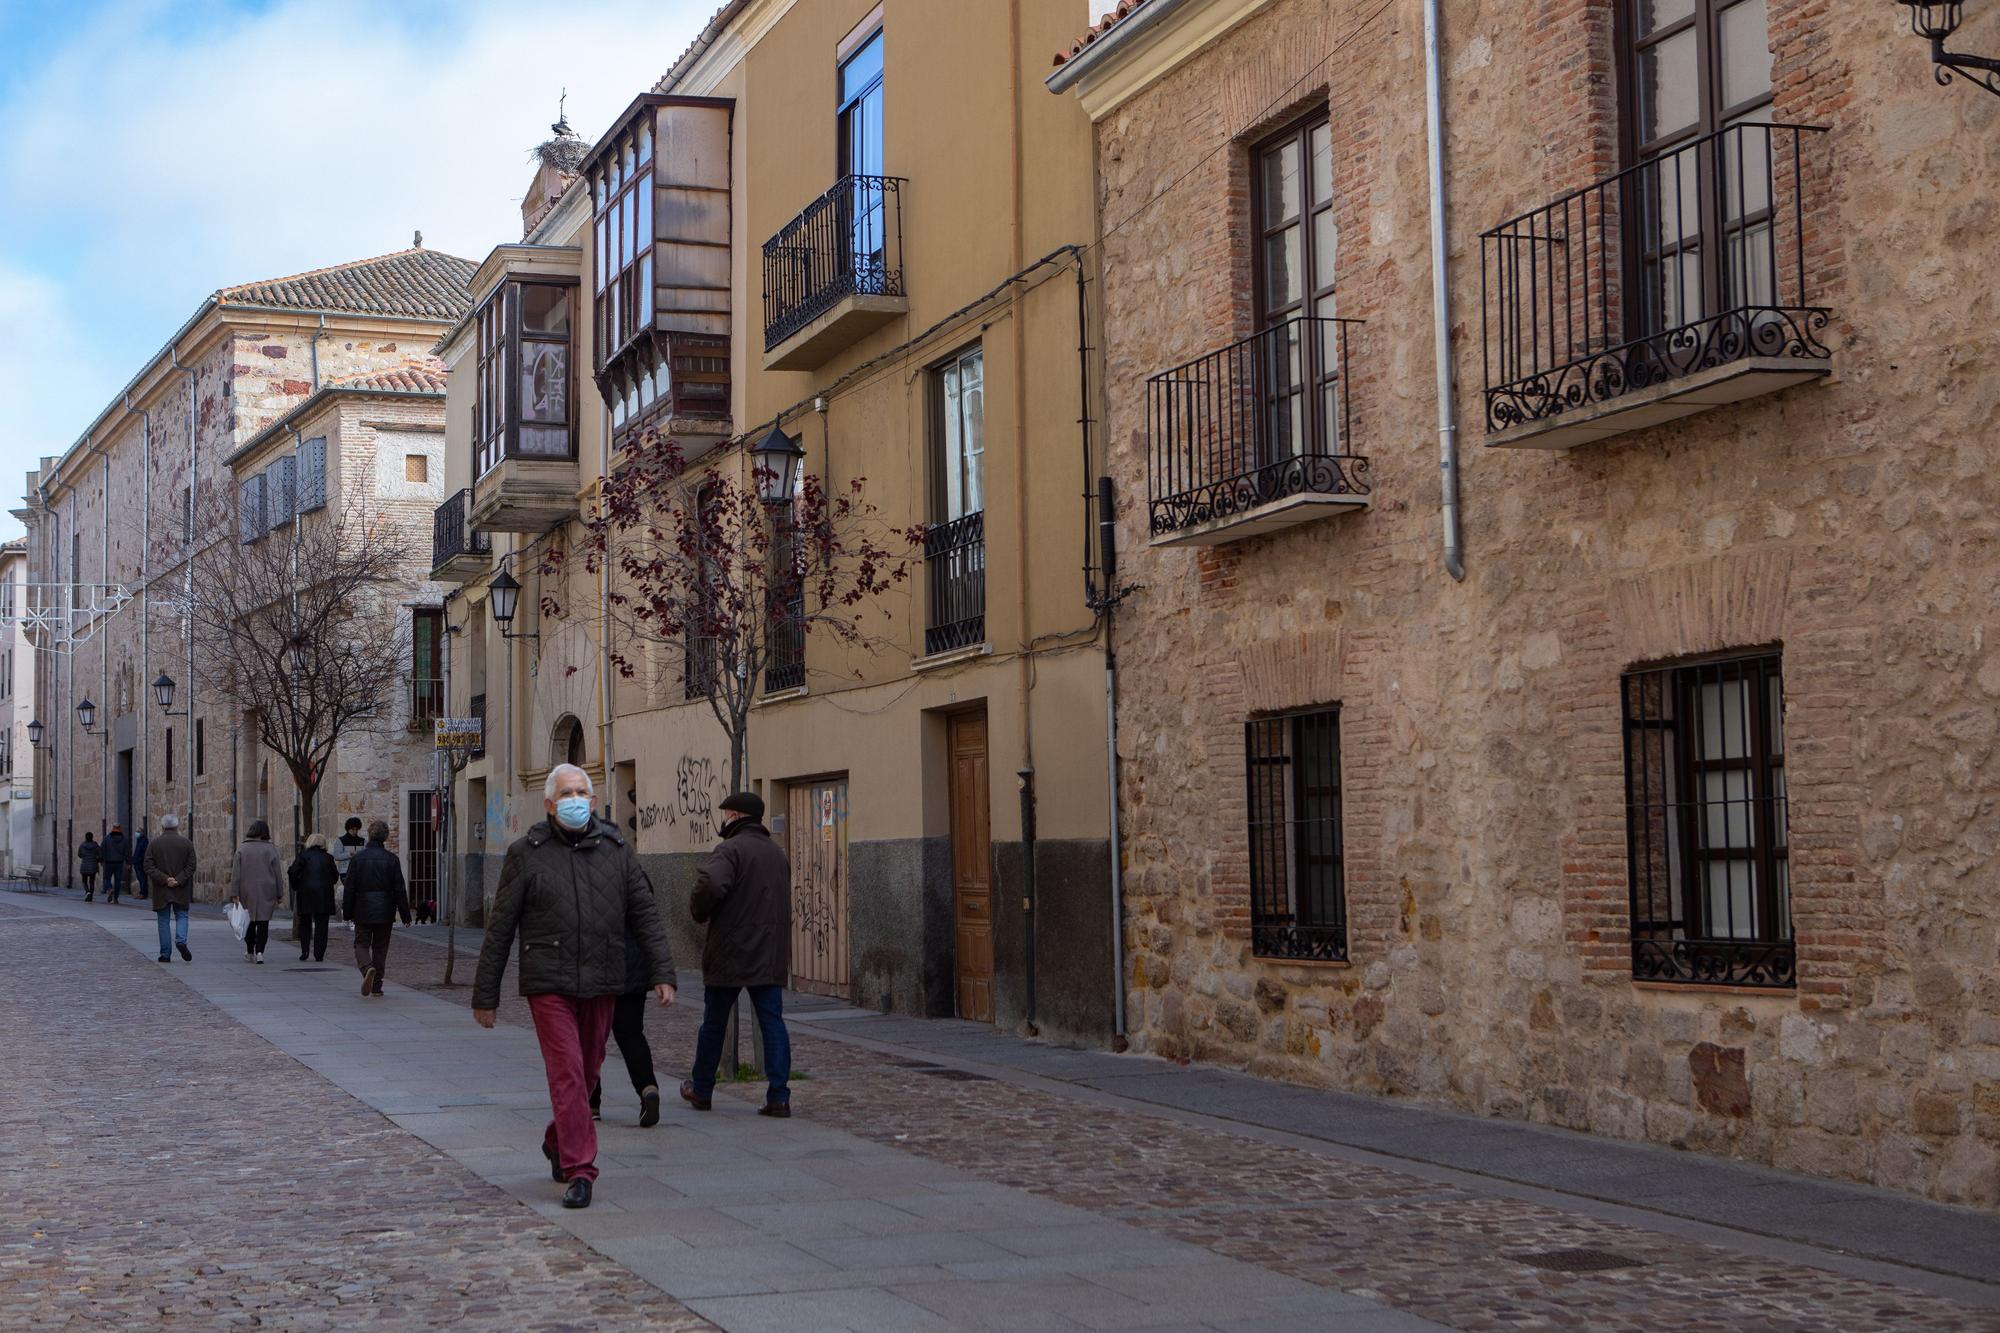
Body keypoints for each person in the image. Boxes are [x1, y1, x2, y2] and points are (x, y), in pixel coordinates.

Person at [472, 763, 676, 1211]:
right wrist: (485, 996)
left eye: (583, 791)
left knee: (586, 1074)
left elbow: (645, 914)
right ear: (549, 804)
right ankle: (581, 1169)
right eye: (567, 792)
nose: (577, 799)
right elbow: (501, 926)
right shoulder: (527, 853)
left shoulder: (617, 850)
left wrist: (663, 971)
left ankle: (555, 1140)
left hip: (603, 977)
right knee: (566, 1071)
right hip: (549, 980)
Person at [681, 791, 794, 1119]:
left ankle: (701, 1088)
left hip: (731, 951)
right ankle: (779, 1095)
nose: (724, 817)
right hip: (768, 952)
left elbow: (710, 885)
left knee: (714, 1022)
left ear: (734, 815)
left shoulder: (729, 850)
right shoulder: (776, 853)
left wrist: (699, 912)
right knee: (772, 1022)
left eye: (726, 812)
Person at [590, 864, 666, 1128]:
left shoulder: (586, 871)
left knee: (590, 1035)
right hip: (632, 966)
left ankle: (591, 1101)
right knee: (631, 1033)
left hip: (597, 966)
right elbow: (649, 923)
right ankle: (647, 1088)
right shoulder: (635, 872)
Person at [343, 820, 411, 996]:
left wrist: (347, 912)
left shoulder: (358, 859)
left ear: (370, 835)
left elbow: (349, 888)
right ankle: (376, 986)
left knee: (361, 944)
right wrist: (405, 915)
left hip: (363, 909)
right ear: (386, 837)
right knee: (380, 948)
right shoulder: (392, 860)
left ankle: (367, 968)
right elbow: (399, 889)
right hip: (385, 910)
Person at [230, 820, 286, 963]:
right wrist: (280, 893)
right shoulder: (271, 849)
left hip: (246, 890)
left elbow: (236, 874)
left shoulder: (242, 848)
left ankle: (250, 951)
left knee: (249, 921)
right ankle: (260, 952)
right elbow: (277, 873)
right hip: (267, 889)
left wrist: (234, 892)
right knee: (263, 922)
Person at [144, 814, 196, 963]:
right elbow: (191, 865)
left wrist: (165, 879)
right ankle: (181, 940)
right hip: (181, 888)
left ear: (162, 826)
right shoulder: (186, 843)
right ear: (177, 826)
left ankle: (165, 954)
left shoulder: (154, 844)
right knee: (182, 915)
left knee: (163, 920)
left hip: (162, 889)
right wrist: (178, 880)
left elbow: (148, 865)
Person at [289, 832, 340, 963]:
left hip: (305, 892)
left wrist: (297, 886)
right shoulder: (328, 858)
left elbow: (293, 872)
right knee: (322, 925)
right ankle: (319, 953)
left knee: (305, 923)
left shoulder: (303, 856)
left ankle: (305, 951)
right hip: (324, 893)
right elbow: (335, 876)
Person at [101, 825, 131, 904]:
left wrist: (101, 860)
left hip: (108, 862)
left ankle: (110, 889)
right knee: (118, 881)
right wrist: (128, 863)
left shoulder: (106, 839)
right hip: (119, 863)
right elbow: (127, 852)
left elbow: (102, 850)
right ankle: (116, 898)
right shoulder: (124, 840)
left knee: (106, 878)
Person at [78, 832, 100, 901]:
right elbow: (100, 853)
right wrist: (97, 859)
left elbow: (79, 855)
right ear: (92, 837)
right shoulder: (95, 845)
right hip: (93, 865)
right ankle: (91, 895)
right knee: (91, 881)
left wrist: (85, 856)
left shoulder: (82, 845)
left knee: (84, 881)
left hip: (84, 865)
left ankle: (87, 891)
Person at [132, 827, 151, 902]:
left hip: (140, 862)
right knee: (140, 878)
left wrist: (138, 859)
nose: (136, 833)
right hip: (137, 861)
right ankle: (142, 892)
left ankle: (143, 893)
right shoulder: (139, 840)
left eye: (138, 832)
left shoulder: (144, 840)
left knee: (142, 877)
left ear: (142, 832)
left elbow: (143, 851)